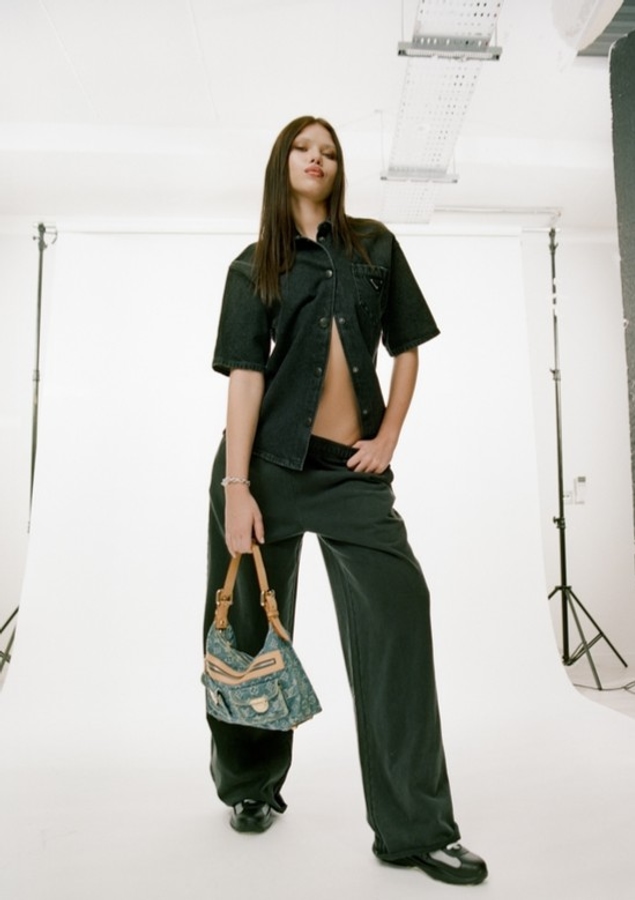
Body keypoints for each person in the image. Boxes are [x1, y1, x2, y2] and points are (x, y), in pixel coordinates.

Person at [203, 115, 488, 887]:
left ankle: (413, 828)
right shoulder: (252, 266)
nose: (316, 157)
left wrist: (388, 436)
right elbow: (245, 377)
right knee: (247, 629)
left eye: (328, 150)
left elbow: (407, 346)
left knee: (399, 613)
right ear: (282, 164)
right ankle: (251, 787)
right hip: (263, 470)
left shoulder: (374, 247)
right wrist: (236, 487)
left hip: (351, 474)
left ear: (338, 168)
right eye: (303, 148)